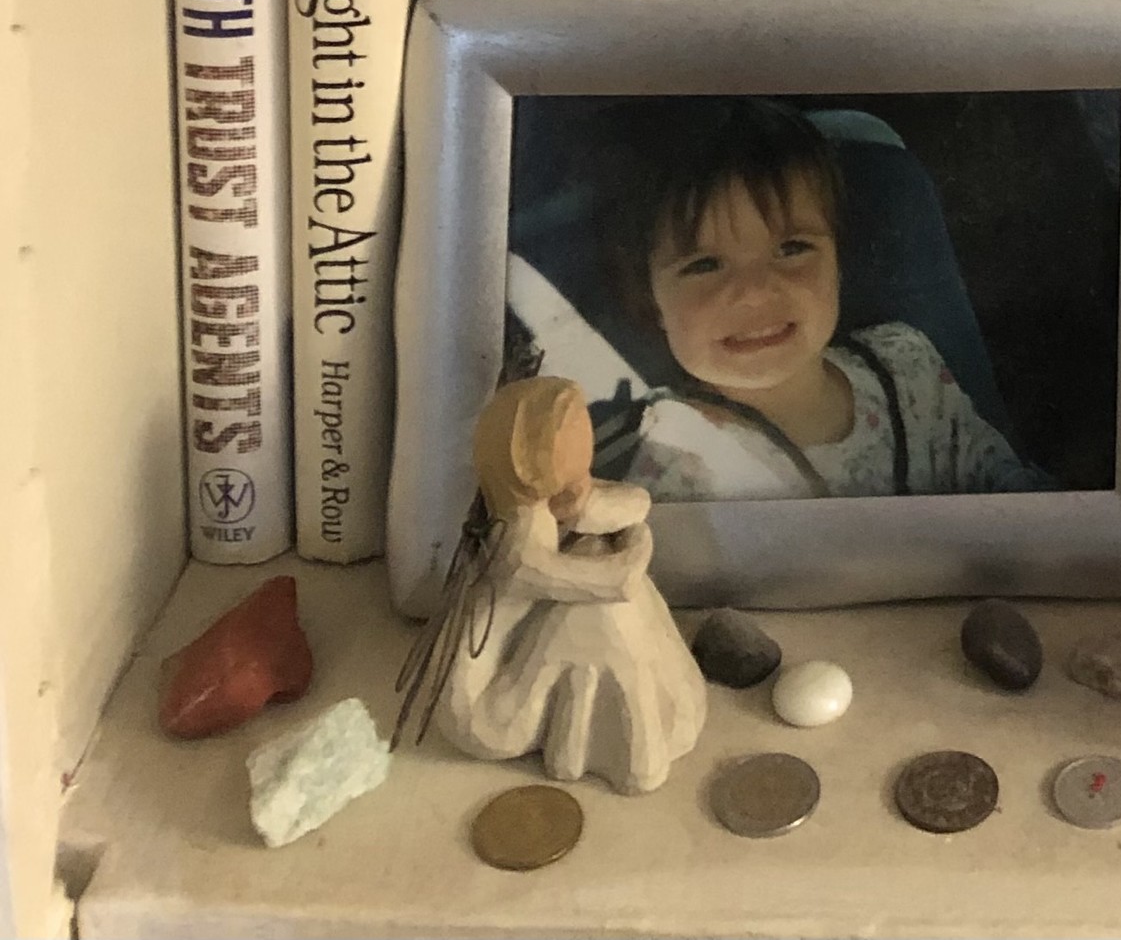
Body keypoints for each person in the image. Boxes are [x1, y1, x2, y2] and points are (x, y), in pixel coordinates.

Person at [602, 97, 1042, 498]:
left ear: (838, 259)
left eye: (791, 249)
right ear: (650, 297)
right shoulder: (673, 457)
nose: (755, 293)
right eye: (704, 265)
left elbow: (1010, 491)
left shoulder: (910, 366)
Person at [431, 375, 706, 792]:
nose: (589, 433)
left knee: (599, 577)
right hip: (486, 707)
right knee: (602, 617)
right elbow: (618, 581)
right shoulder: (518, 537)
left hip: (528, 657)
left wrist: (596, 513)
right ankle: (624, 747)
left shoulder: (552, 501)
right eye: (576, 427)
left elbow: (635, 501)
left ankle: (623, 730)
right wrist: (637, 540)